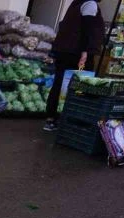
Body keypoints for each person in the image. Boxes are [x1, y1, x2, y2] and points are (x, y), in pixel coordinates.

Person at [44, 0, 105, 131]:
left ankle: (51, 119)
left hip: (64, 51)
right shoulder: (90, 4)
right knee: (80, 85)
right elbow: (88, 30)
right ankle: (72, 119)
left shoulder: (76, 3)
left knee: (59, 83)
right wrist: (85, 52)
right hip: (76, 54)